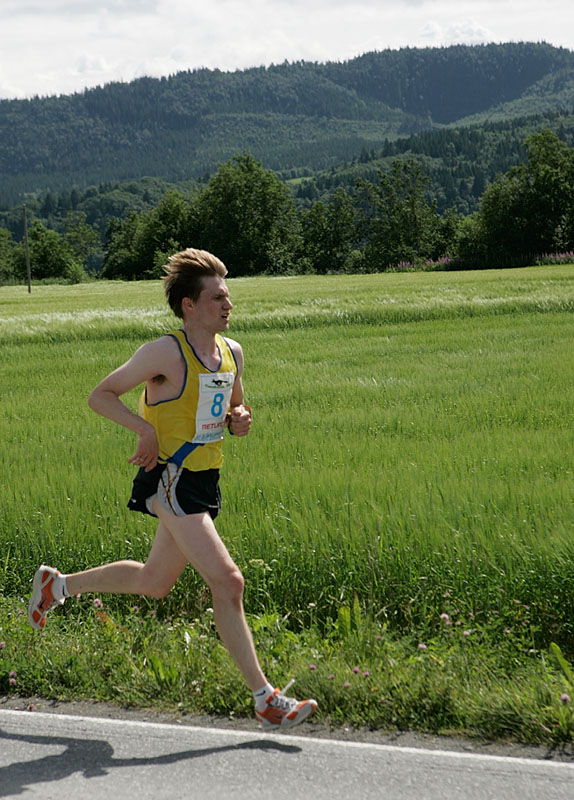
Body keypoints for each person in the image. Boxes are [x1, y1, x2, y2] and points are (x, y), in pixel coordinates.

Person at [28, 247, 317, 731]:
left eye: (228, 296)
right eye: (218, 297)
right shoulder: (165, 352)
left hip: (204, 480)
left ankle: (56, 586)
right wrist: (144, 429)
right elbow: (101, 395)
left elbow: (235, 408)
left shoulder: (232, 352)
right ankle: (265, 699)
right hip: (170, 479)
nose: (228, 305)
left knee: (154, 582)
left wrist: (240, 420)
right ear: (189, 304)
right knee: (229, 582)